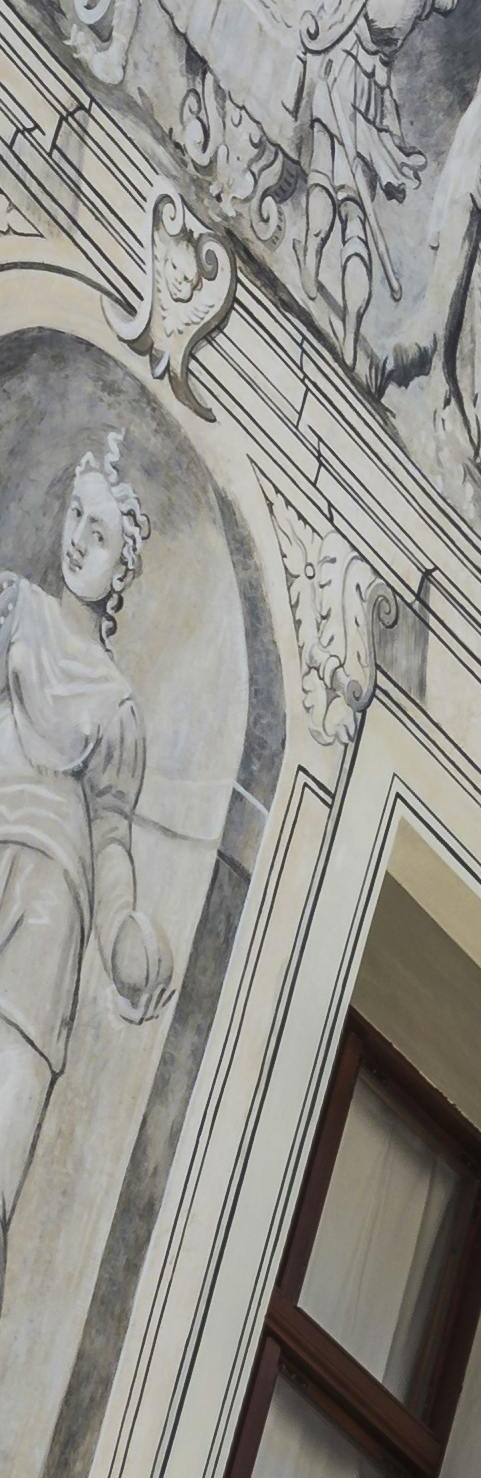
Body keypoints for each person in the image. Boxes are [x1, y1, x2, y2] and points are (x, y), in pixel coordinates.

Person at [0, 444, 172, 1225]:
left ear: (121, 567)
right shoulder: (12, 610)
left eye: (97, 533)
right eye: (75, 516)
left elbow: (110, 838)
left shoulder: (117, 706)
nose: (76, 541)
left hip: (47, 919)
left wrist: (120, 936)